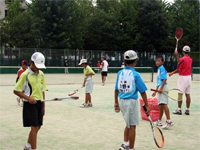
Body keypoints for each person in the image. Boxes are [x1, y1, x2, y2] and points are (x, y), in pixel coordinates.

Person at [114, 50, 149, 150]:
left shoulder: (119, 73)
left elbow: (116, 89)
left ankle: (125, 144)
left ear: (124, 61)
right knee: (132, 126)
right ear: (135, 61)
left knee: (128, 124)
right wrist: (147, 105)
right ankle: (131, 148)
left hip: (121, 101)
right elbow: (143, 92)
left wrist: (116, 103)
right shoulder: (136, 74)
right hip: (131, 102)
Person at [13, 52, 47, 150]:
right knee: (34, 127)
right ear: (31, 62)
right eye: (37, 65)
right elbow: (16, 90)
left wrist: (43, 106)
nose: (39, 68)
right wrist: (28, 98)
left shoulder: (41, 74)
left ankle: (28, 146)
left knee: (38, 127)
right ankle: (33, 148)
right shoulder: (25, 75)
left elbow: (42, 90)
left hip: (39, 103)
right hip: (30, 105)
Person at [169, 45, 192, 115]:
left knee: (180, 94)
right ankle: (187, 110)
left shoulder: (182, 59)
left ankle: (179, 109)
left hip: (183, 78)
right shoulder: (190, 59)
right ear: (189, 52)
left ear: (183, 51)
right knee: (187, 94)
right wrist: (177, 56)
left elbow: (179, 69)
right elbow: (182, 63)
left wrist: (172, 73)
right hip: (189, 78)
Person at [152, 56, 174, 129]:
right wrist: (156, 91)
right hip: (160, 87)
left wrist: (161, 88)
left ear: (162, 62)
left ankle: (169, 121)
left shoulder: (162, 68)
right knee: (160, 105)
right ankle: (159, 120)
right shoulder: (159, 69)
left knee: (164, 104)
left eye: (159, 61)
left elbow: (164, 79)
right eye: (156, 61)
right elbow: (159, 82)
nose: (157, 62)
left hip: (163, 88)